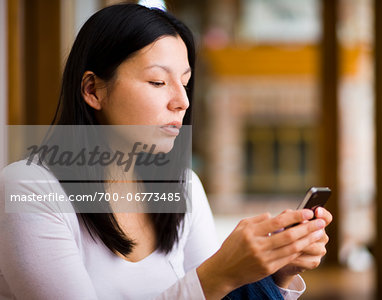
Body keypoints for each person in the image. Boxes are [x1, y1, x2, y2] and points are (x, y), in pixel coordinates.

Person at [0, 4, 332, 300]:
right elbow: (209, 288)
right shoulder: (29, 187)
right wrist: (217, 276)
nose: (182, 102)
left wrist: (276, 270)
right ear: (92, 90)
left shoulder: (183, 186)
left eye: (185, 83)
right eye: (158, 82)